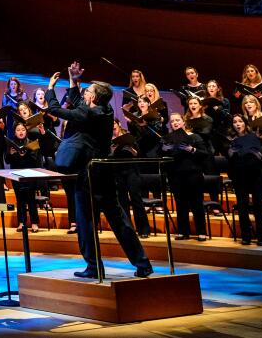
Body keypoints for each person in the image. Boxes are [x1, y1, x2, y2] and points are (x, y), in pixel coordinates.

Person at [44, 63, 153, 279]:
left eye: (88, 91)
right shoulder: (105, 110)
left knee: (85, 222)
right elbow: (78, 103)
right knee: (119, 221)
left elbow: (57, 110)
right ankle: (143, 263)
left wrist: (50, 89)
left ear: (93, 98)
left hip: (88, 175)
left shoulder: (87, 114)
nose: (85, 93)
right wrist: (74, 80)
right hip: (104, 173)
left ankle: (93, 266)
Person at [162, 112, 208, 241]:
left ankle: (201, 231)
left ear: (183, 122)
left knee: (196, 204)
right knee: (181, 204)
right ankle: (183, 231)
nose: (175, 123)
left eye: (177, 120)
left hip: (193, 174)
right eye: (172, 121)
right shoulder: (168, 139)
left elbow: (205, 154)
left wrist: (192, 150)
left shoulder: (194, 137)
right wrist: (165, 150)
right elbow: (163, 159)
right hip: (176, 175)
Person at [227, 114, 262, 246]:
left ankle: (261, 237)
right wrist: (231, 153)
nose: (238, 124)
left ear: (245, 123)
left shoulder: (254, 137)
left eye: (240, 121)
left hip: (255, 175)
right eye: (235, 122)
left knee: (258, 206)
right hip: (239, 176)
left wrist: (258, 154)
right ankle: (246, 236)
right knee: (242, 207)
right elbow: (229, 162)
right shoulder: (231, 140)